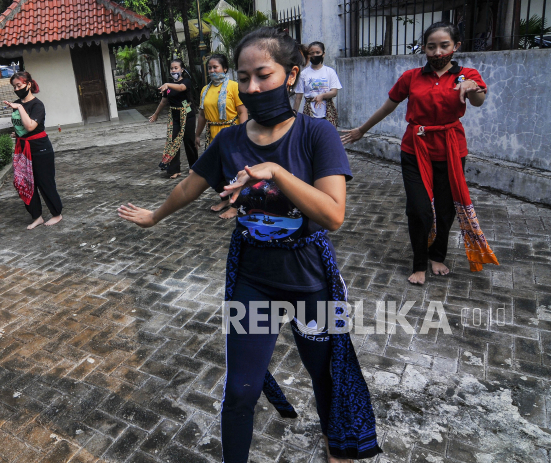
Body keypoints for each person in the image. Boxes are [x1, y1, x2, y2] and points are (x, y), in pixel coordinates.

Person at [120, 27, 381, 462]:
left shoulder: (317, 136)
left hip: (309, 279)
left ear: (291, 74)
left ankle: (338, 447)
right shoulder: (230, 141)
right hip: (254, 281)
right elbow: (191, 186)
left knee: (325, 375)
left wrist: (276, 173)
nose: (252, 87)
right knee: (240, 390)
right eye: (244, 78)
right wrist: (154, 216)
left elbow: (333, 215)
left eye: (263, 75)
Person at [342, 21, 499, 285]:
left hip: (451, 151)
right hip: (414, 149)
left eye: (444, 46)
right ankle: (419, 263)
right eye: (432, 47)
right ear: (424, 49)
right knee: (419, 210)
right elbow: (388, 107)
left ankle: (437, 256)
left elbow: (478, 99)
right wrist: (362, 130)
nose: (438, 53)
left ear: (456, 46)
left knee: (446, 210)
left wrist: (472, 88)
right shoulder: (411, 77)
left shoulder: (466, 75)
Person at [4, 71, 63, 230]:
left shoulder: (37, 105)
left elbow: (31, 126)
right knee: (25, 183)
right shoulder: (17, 103)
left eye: (19, 85)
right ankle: (37, 216)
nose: (16, 89)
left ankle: (56, 214)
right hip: (23, 147)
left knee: (45, 182)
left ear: (28, 84)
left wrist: (20, 107)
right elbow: (22, 127)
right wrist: (16, 133)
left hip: (40, 148)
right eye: (14, 87)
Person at [194, 54, 248, 219]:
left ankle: (236, 205)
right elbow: (202, 115)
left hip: (231, 132)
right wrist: (197, 134)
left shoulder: (234, 86)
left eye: (215, 67)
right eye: (209, 68)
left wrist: (243, 133)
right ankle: (225, 198)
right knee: (215, 170)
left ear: (225, 68)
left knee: (234, 170)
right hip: (213, 135)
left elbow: (242, 111)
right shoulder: (205, 89)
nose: (212, 70)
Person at [148, 59, 198, 179]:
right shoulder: (168, 86)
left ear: (182, 69)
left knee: (188, 140)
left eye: (176, 68)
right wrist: (156, 114)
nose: (173, 70)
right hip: (174, 115)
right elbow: (164, 101)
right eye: (172, 68)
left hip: (187, 112)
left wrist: (167, 85)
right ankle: (174, 169)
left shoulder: (186, 81)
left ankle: (194, 166)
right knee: (173, 141)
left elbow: (181, 88)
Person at [293, 41, 342, 127]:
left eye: (317, 52)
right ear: (308, 55)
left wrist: (322, 96)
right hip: (309, 112)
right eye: (312, 53)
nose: (315, 55)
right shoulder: (303, 74)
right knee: (310, 137)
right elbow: (298, 97)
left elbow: (334, 92)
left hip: (327, 112)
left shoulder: (330, 72)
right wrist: (293, 116)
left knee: (327, 137)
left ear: (323, 54)